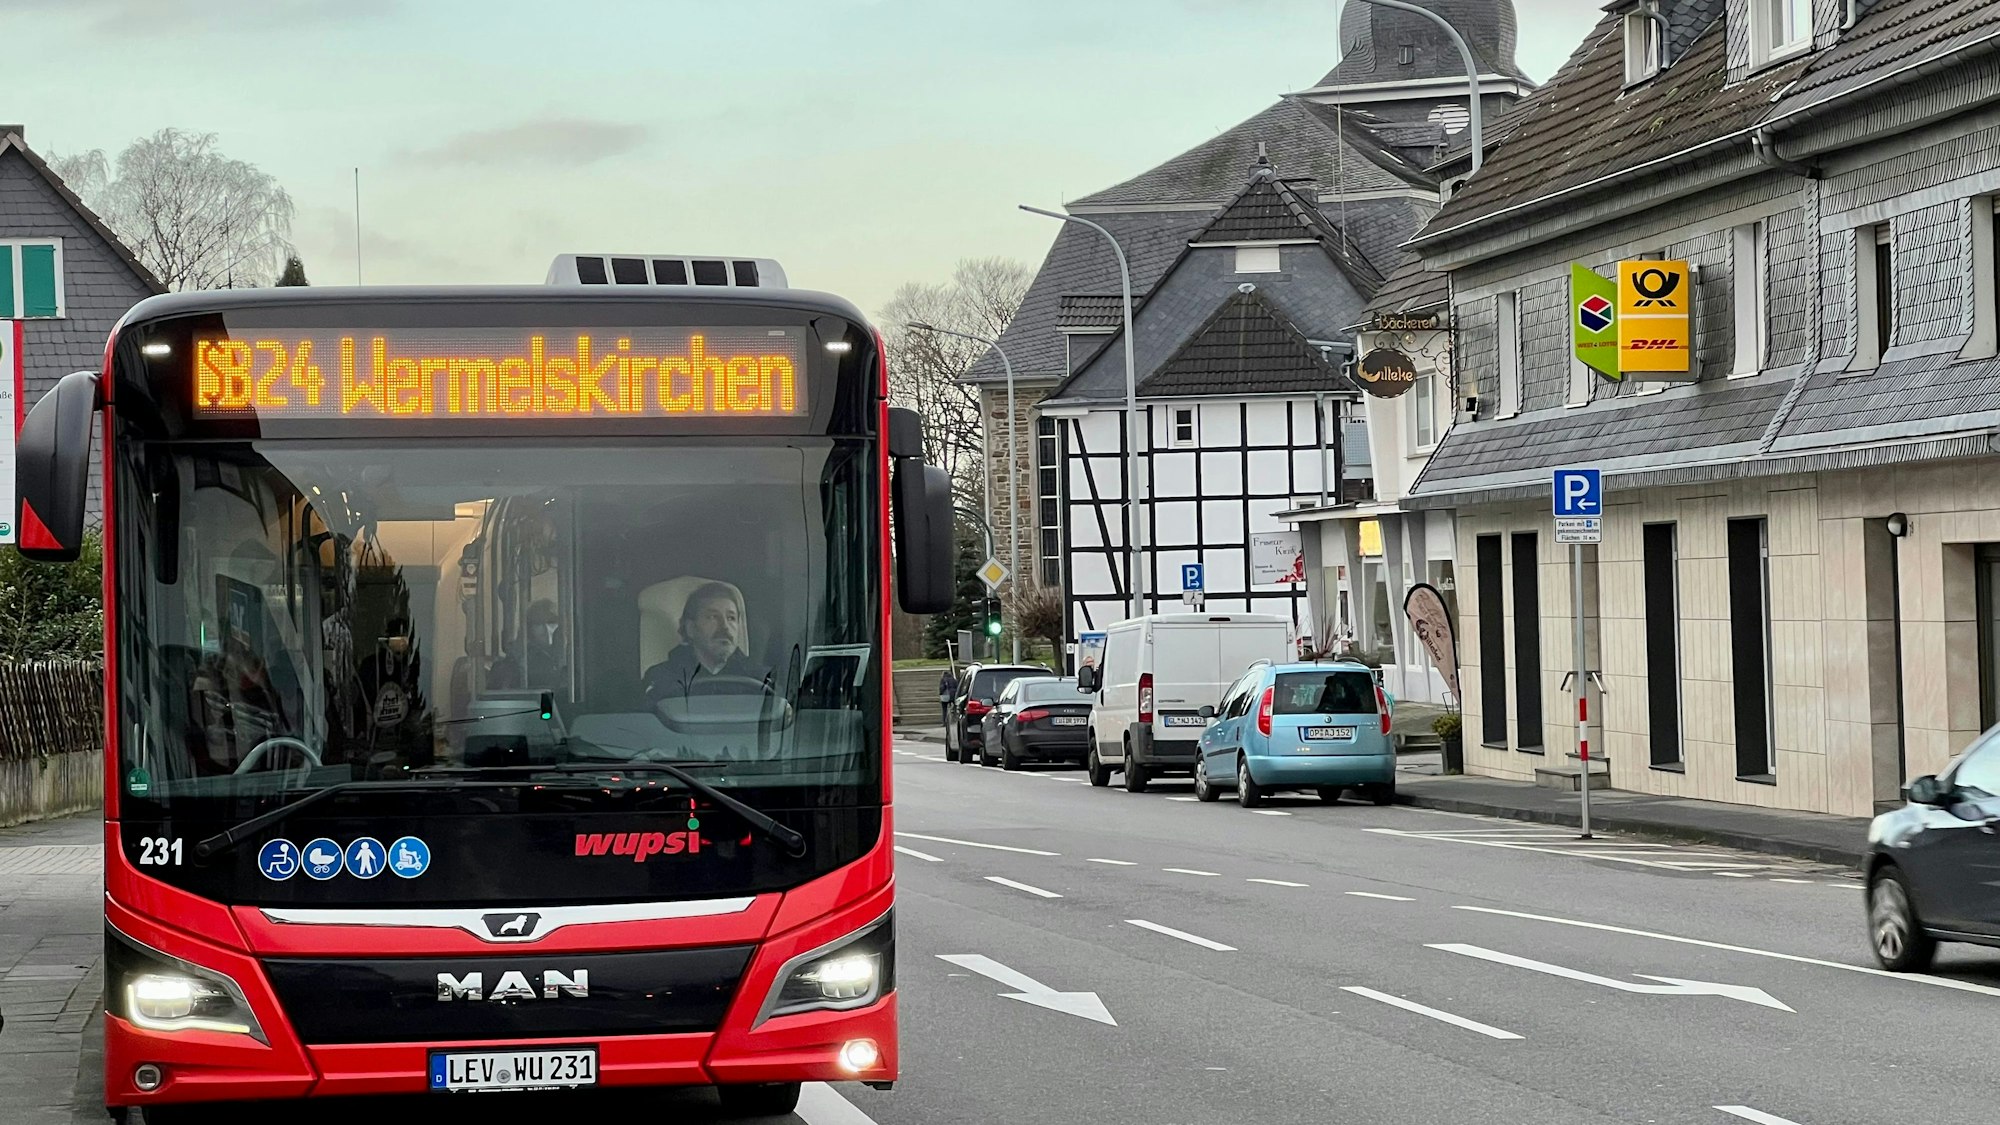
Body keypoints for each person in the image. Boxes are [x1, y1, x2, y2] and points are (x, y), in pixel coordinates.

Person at [643, 581, 771, 701]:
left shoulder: (760, 680)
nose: (725, 626)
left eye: (731, 618)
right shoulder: (661, 679)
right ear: (691, 628)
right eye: (713, 617)